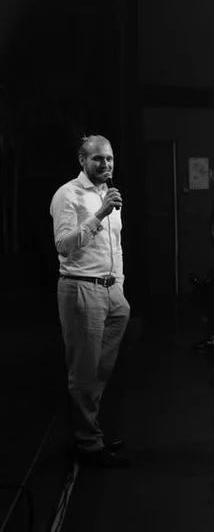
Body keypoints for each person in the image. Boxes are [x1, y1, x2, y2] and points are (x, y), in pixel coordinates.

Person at [50, 135, 131, 468]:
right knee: (84, 373)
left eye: (110, 159)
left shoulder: (107, 194)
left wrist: (120, 287)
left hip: (112, 293)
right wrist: (99, 214)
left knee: (101, 370)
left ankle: (90, 432)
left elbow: (115, 247)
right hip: (82, 289)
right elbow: (64, 245)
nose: (106, 165)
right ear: (82, 160)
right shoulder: (68, 194)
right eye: (98, 159)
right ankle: (87, 443)